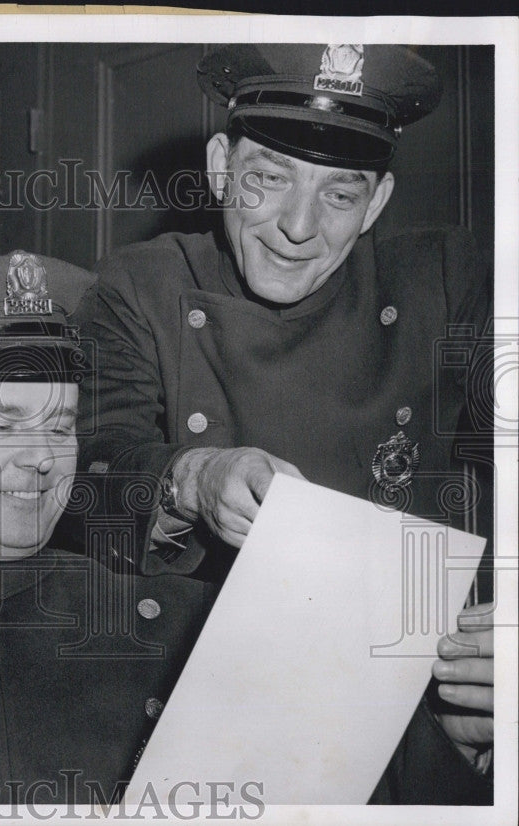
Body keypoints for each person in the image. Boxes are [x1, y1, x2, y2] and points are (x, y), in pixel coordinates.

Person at [0, 252, 493, 806]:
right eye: (1, 424)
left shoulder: (197, 624)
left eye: (61, 425)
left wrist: (470, 730)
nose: (38, 458)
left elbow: (403, 793)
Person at [75, 45, 494, 779]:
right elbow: (95, 471)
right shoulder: (142, 286)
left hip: (420, 703)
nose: (299, 226)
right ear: (218, 168)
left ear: (379, 202)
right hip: (213, 708)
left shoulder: (448, 280)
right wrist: (195, 478)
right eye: (269, 179)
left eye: (340, 194)